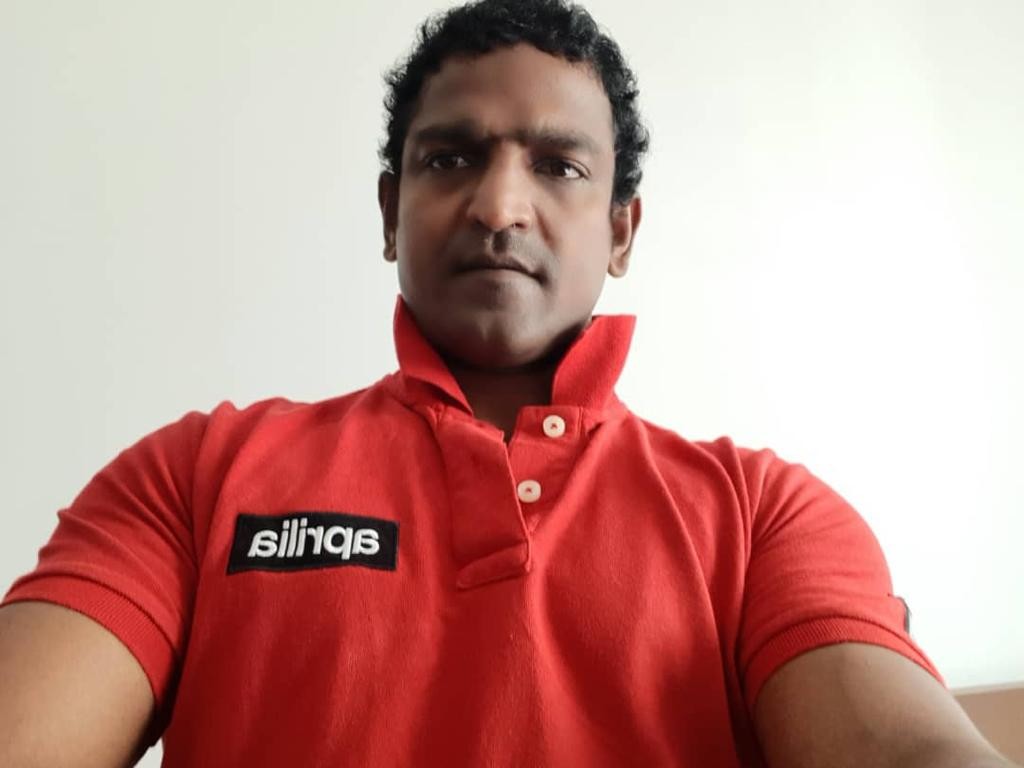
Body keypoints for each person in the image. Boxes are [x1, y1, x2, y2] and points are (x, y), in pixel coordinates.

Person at [0, 1, 1016, 766]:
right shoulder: (194, 477)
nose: (497, 206)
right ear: (390, 211)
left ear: (621, 232)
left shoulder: (764, 518)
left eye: (559, 167)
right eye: (450, 159)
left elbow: (908, 749)